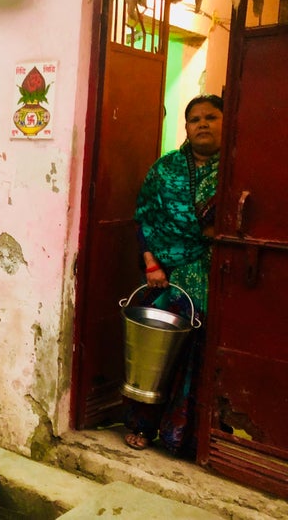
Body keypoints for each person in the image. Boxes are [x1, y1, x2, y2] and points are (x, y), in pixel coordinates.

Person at [123, 94, 223, 455]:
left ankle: (188, 438)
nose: (202, 124)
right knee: (159, 352)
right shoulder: (165, 169)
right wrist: (151, 263)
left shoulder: (238, 168)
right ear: (186, 127)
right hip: (165, 277)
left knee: (204, 353)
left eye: (211, 117)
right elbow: (145, 217)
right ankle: (142, 426)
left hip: (216, 277)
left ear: (225, 123)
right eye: (194, 119)